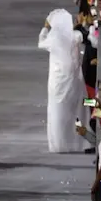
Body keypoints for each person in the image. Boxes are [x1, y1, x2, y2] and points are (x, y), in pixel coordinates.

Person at [37, 9, 90, 153]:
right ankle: (82, 142)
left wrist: (46, 27)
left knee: (57, 113)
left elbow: (40, 42)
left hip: (57, 83)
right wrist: (80, 24)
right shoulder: (74, 36)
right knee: (78, 110)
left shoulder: (52, 39)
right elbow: (86, 36)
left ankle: (59, 144)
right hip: (74, 81)